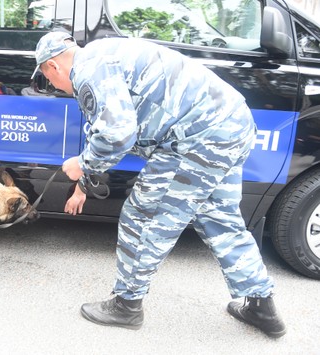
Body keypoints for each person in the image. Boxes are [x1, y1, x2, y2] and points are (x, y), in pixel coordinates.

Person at [32, 31, 286, 338]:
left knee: (142, 217)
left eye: (49, 80)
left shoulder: (88, 71)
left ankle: (126, 306)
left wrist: (82, 164)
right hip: (232, 126)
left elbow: (116, 135)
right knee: (220, 218)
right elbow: (102, 129)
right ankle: (261, 304)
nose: (56, 87)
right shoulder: (104, 53)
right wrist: (83, 185)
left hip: (194, 140)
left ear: (53, 67)